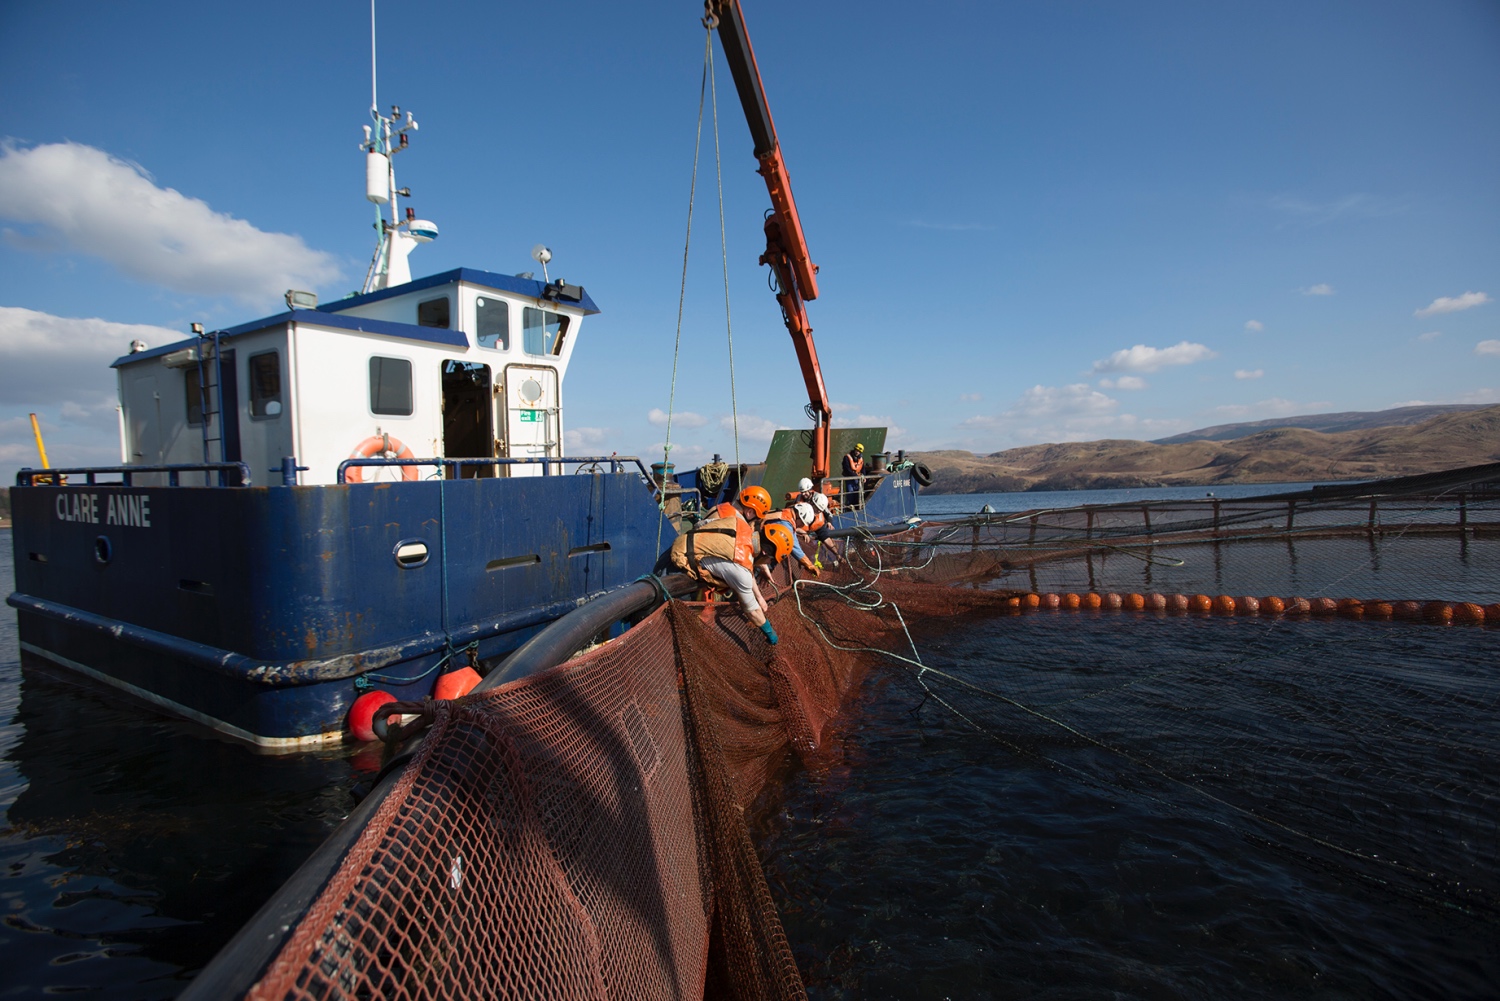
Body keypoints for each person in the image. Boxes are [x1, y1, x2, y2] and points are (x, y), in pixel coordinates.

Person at [669, 513, 791, 645]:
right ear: (765, 553)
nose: (767, 563)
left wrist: (759, 596)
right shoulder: (741, 572)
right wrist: (769, 631)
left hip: (679, 543)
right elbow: (753, 611)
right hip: (677, 570)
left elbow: (700, 525)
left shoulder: (739, 523)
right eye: (771, 560)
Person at [760, 501, 820, 578]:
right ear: (798, 515)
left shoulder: (786, 513)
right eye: (802, 523)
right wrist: (809, 565)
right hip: (761, 549)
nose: (801, 526)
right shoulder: (785, 523)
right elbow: (793, 546)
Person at [841, 442, 866, 509]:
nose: (857, 452)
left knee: (857, 494)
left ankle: (857, 507)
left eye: (859, 451)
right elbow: (847, 469)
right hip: (849, 479)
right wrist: (855, 476)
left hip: (857, 480)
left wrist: (864, 476)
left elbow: (863, 468)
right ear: (854, 449)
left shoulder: (860, 459)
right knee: (850, 494)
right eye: (857, 450)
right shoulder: (847, 457)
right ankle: (849, 509)